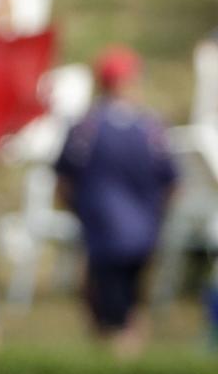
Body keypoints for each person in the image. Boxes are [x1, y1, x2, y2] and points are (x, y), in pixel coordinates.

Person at [55, 48, 177, 356]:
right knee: (130, 300)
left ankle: (119, 361)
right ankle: (124, 358)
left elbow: (63, 181)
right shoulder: (151, 128)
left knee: (108, 305)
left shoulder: (87, 127)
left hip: (102, 230)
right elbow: (172, 182)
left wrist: (80, 212)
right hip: (143, 228)